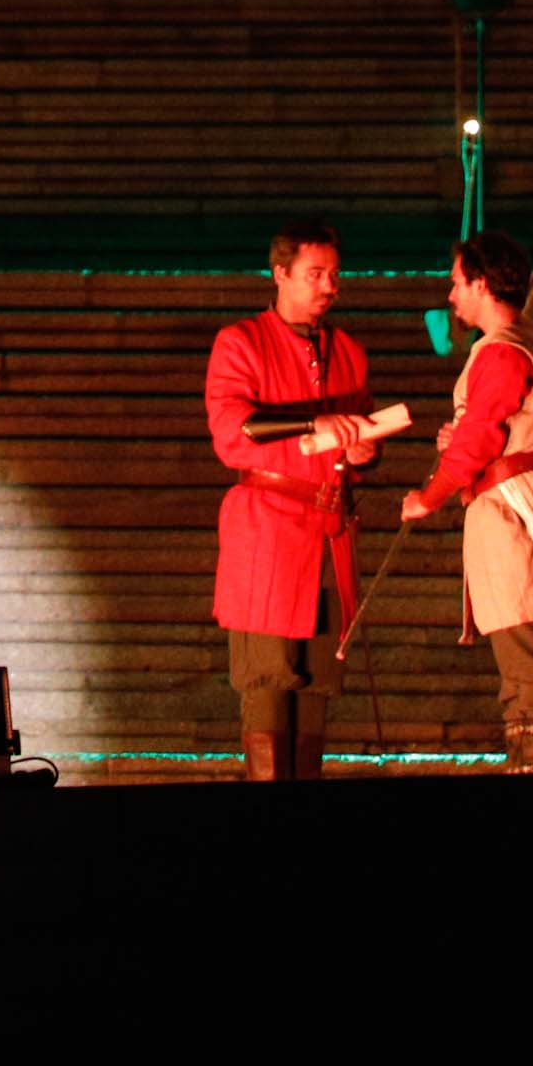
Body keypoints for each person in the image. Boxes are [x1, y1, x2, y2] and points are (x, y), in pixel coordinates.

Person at [399, 229, 533, 775]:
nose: (452, 295)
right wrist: (458, 441)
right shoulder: (518, 342)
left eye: (458, 284)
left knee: (529, 675)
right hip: (518, 502)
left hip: (514, 515)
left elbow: (483, 437)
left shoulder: (505, 351)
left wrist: (429, 497)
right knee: (526, 667)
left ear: (482, 285)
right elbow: (486, 428)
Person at [205, 218, 379, 781]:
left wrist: (362, 453)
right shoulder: (242, 341)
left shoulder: (348, 350)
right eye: (314, 274)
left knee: (320, 676)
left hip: (329, 530)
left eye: (333, 273)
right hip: (269, 530)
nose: (329, 285)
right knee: (268, 673)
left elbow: (361, 437)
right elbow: (232, 429)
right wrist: (313, 422)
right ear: (280, 274)